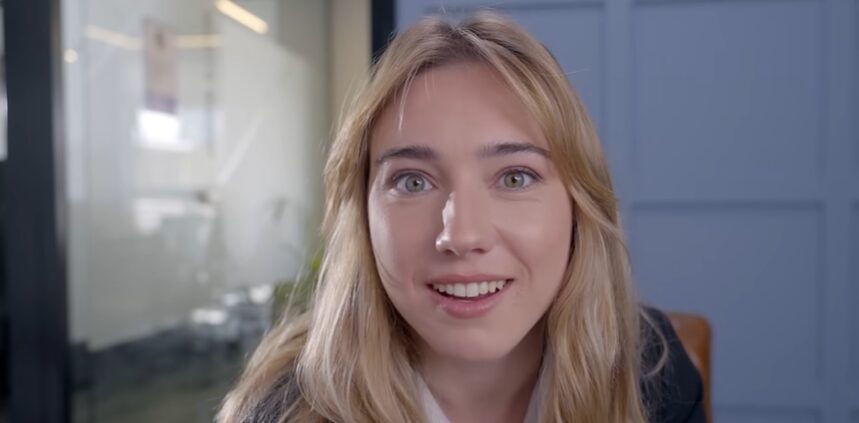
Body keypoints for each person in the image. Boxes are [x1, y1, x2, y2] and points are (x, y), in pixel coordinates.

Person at [218, 11, 704, 423]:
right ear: (361, 216)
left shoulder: (652, 373)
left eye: (514, 177)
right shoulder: (281, 410)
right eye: (412, 182)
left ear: (580, 206)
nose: (462, 235)